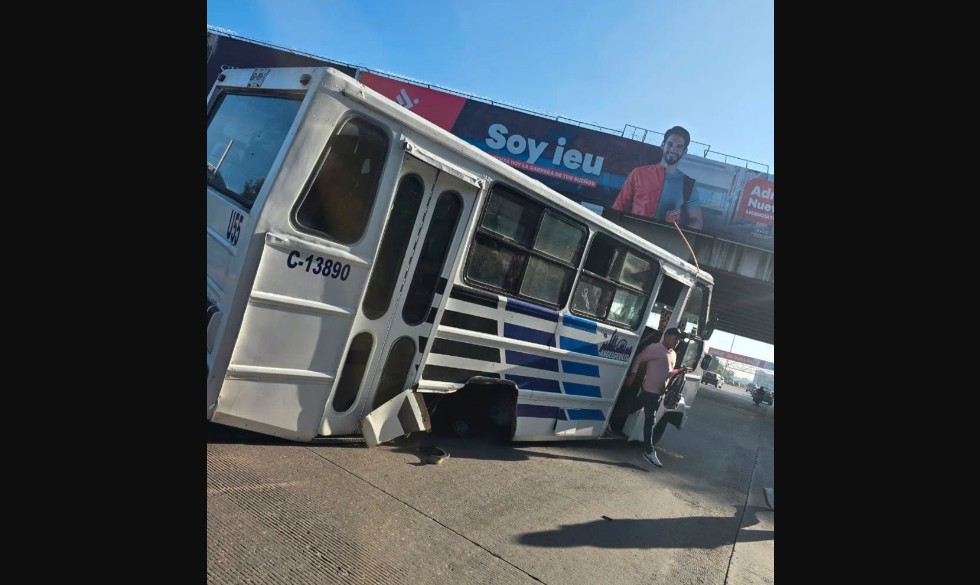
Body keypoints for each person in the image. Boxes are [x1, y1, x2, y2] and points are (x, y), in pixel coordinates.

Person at [610, 126, 704, 229]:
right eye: (670, 144)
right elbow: (617, 208)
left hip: (662, 242)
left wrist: (676, 237)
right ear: (663, 145)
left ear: (685, 151)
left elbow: (696, 220)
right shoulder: (639, 173)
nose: (673, 149)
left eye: (679, 146)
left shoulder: (688, 184)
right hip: (632, 236)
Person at [621, 327, 687, 467]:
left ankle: (611, 423)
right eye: (675, 338)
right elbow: (639, 358)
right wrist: (632, 375)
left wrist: (679, 370)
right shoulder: (655, 348)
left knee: (632, 409)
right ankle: (649, 452)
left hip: (657, 393)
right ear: (667, 336)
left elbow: (668, 371)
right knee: (650, 421)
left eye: (679, 339)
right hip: (649, 391)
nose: (677, 341)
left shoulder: (673, 354)